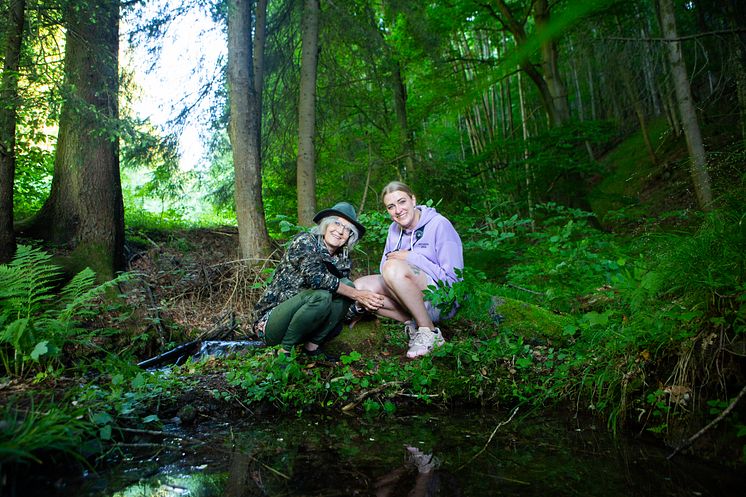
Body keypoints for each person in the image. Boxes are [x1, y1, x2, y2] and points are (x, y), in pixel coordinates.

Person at [252, 202, 385, 358]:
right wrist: (357, 294)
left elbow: (339, 307)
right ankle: (285, 351)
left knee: (346, 285)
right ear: (326, 224)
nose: (340, 231)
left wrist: (360, 307)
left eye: (347, 229)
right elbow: (318, 279)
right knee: (323, 295)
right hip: (273, 323)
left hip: (306, 326)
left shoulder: (342, 260)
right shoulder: (305, 241)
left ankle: (312, 347)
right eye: (337, 223)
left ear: (350, 236)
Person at [353, 181, 463, 358]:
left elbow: (452, 280)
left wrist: (412, 257)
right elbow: (384, 268)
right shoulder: (394, 229)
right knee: (360, 288)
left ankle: (429, 332)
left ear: (413, 200)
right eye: (391, 206)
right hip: (411, 301)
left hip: (442, 301)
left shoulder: (439, 225)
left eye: (402, 202)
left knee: (393, 268)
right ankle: (413, 324)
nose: (398, 210)